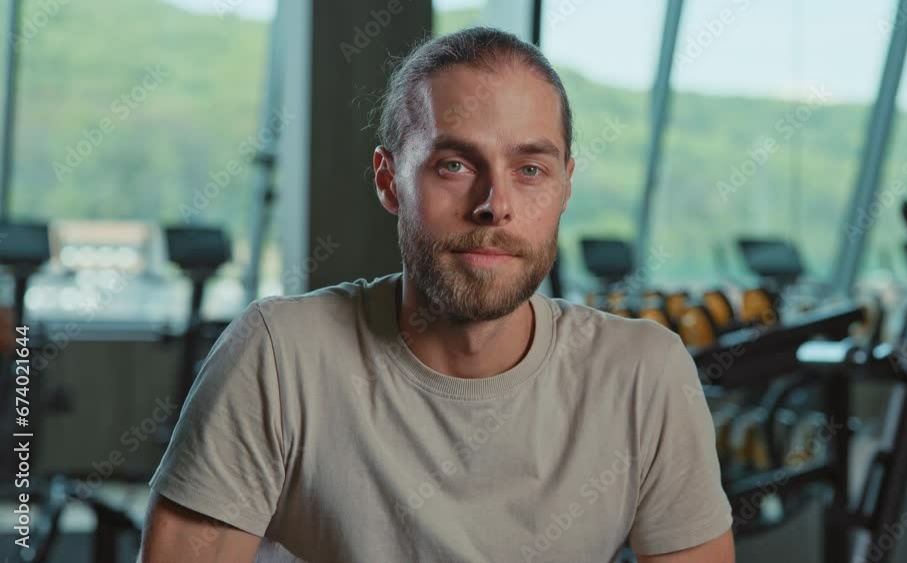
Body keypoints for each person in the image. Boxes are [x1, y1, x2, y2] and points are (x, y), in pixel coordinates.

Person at [138, 26, 734, 563]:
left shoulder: (644, 374)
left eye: (530, 169)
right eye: (453, 164)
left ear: (565, 186)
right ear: (389, 180)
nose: (494, 205)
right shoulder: (277, 356)